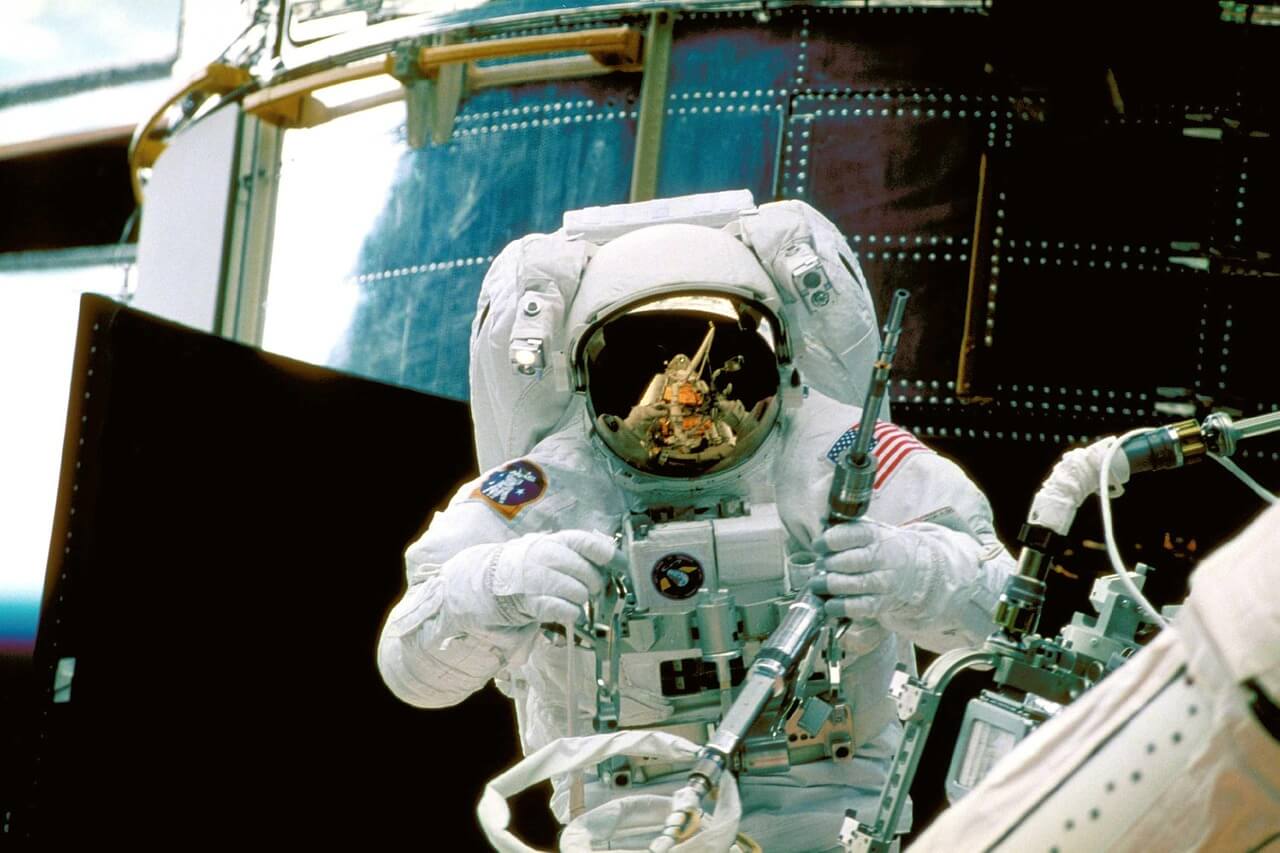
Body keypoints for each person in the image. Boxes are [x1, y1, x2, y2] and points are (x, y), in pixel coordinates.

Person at [377, 195, 1016, 851]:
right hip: (632, 820)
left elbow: (1007, 611)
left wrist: (913, 570)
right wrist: (495, 586)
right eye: (649, 375)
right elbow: (410, 667)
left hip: (827, 811)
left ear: (775, 359)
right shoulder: (550, 483)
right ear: (589, 382)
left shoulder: (841, 453)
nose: (687, 408)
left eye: (714, 375)